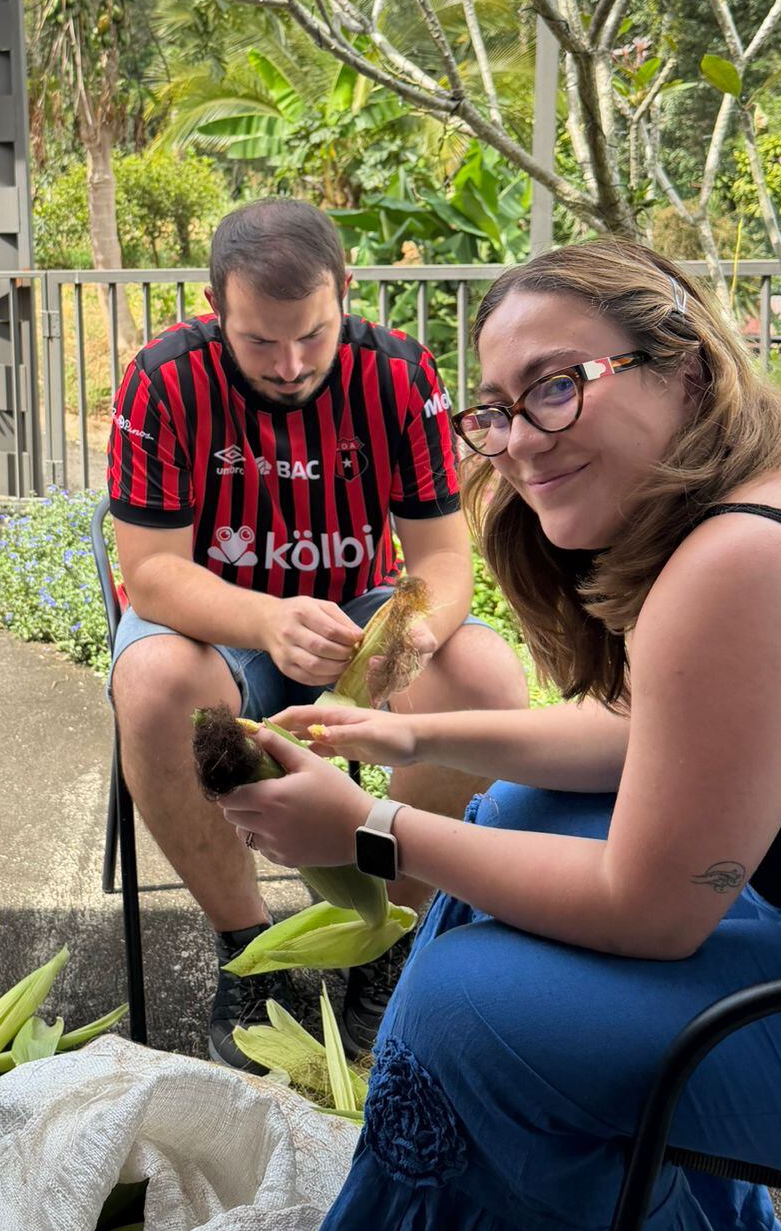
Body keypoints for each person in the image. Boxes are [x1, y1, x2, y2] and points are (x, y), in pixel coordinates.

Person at [214, 238, 781, 1231]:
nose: (521, 442)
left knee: (462, 1020)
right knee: (515, 814)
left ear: (685, 366)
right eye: (496, 408)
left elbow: (652, 908)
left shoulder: (744, 562)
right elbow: (655, 731)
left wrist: (369, 828)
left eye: (557, 384)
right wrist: (405, 728)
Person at [106, 197, 527, 1068]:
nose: (291, 365)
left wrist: (399, 644)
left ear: (348, 291)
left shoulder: (399, 375)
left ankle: (388, 941)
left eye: (313, 335)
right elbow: (150, 574)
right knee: (152, 685)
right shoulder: (163, 378)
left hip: (357, 609)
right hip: (215, 626)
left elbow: (445, 560)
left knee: (484, 672)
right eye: (259, 341)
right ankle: (248, 950)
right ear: (216, 306)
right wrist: (267, 619)